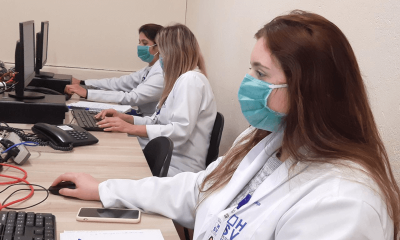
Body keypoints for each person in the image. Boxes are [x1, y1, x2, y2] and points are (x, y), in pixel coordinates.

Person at [52, 10, 400, 239]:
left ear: (310, 91)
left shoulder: (345, 205)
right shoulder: (267, 139)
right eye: (251, 69)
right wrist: (105, 190)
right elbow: (199, 189)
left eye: (261, 74)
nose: (247, 81)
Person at [94, 24, 217, 176]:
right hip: (167, 158)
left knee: (109, 165)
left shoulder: (191, 80)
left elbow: (179, 131)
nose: (160, 58)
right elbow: (157, 122)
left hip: (178, 168)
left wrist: (130, 128)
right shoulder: (180, 80)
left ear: (173, 52)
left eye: (162, 52)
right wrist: (125, 119)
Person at [64, 24, 164, 117]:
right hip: (143, 116)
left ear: (159, 46)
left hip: (149, 120)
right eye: (139, 42)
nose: (140, 46)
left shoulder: (161, 73)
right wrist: (82, 83)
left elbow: (132, 98)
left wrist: (86, 93)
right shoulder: (149, 69)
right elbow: (118, 83)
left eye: (145, 43)